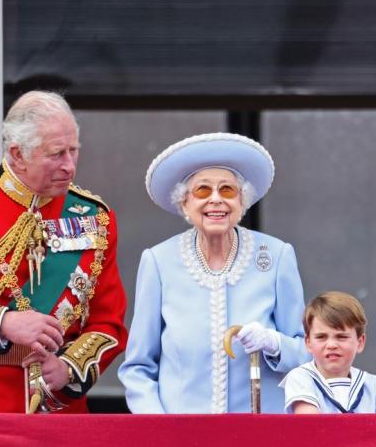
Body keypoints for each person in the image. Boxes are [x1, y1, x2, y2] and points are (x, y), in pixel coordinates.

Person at [118, 133, 309, 413]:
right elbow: (138, 367)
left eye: (228, 190)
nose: (216, 200)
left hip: (261, 432)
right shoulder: (158, 262)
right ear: (184, 203)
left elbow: (306, 353)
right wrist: (158, 428)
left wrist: (275, 344)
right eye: (203, 191)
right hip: (181, 436)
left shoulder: (277, 255)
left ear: (242, 201)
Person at [0, 90, 128, 413]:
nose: (70, 166)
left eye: (74, 151)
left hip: (58, 410)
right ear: (17, 154)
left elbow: (109, 323)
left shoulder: (95, 218)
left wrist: (68, 369)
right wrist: (3, 323)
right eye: (56, 154)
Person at [281, 291, 376, 414]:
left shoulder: (373, 385)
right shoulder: (300, 378)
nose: (331, 345)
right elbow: (312, 426)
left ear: (360, 342)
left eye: (341, 337)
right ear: (308, 342)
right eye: (321, 337)